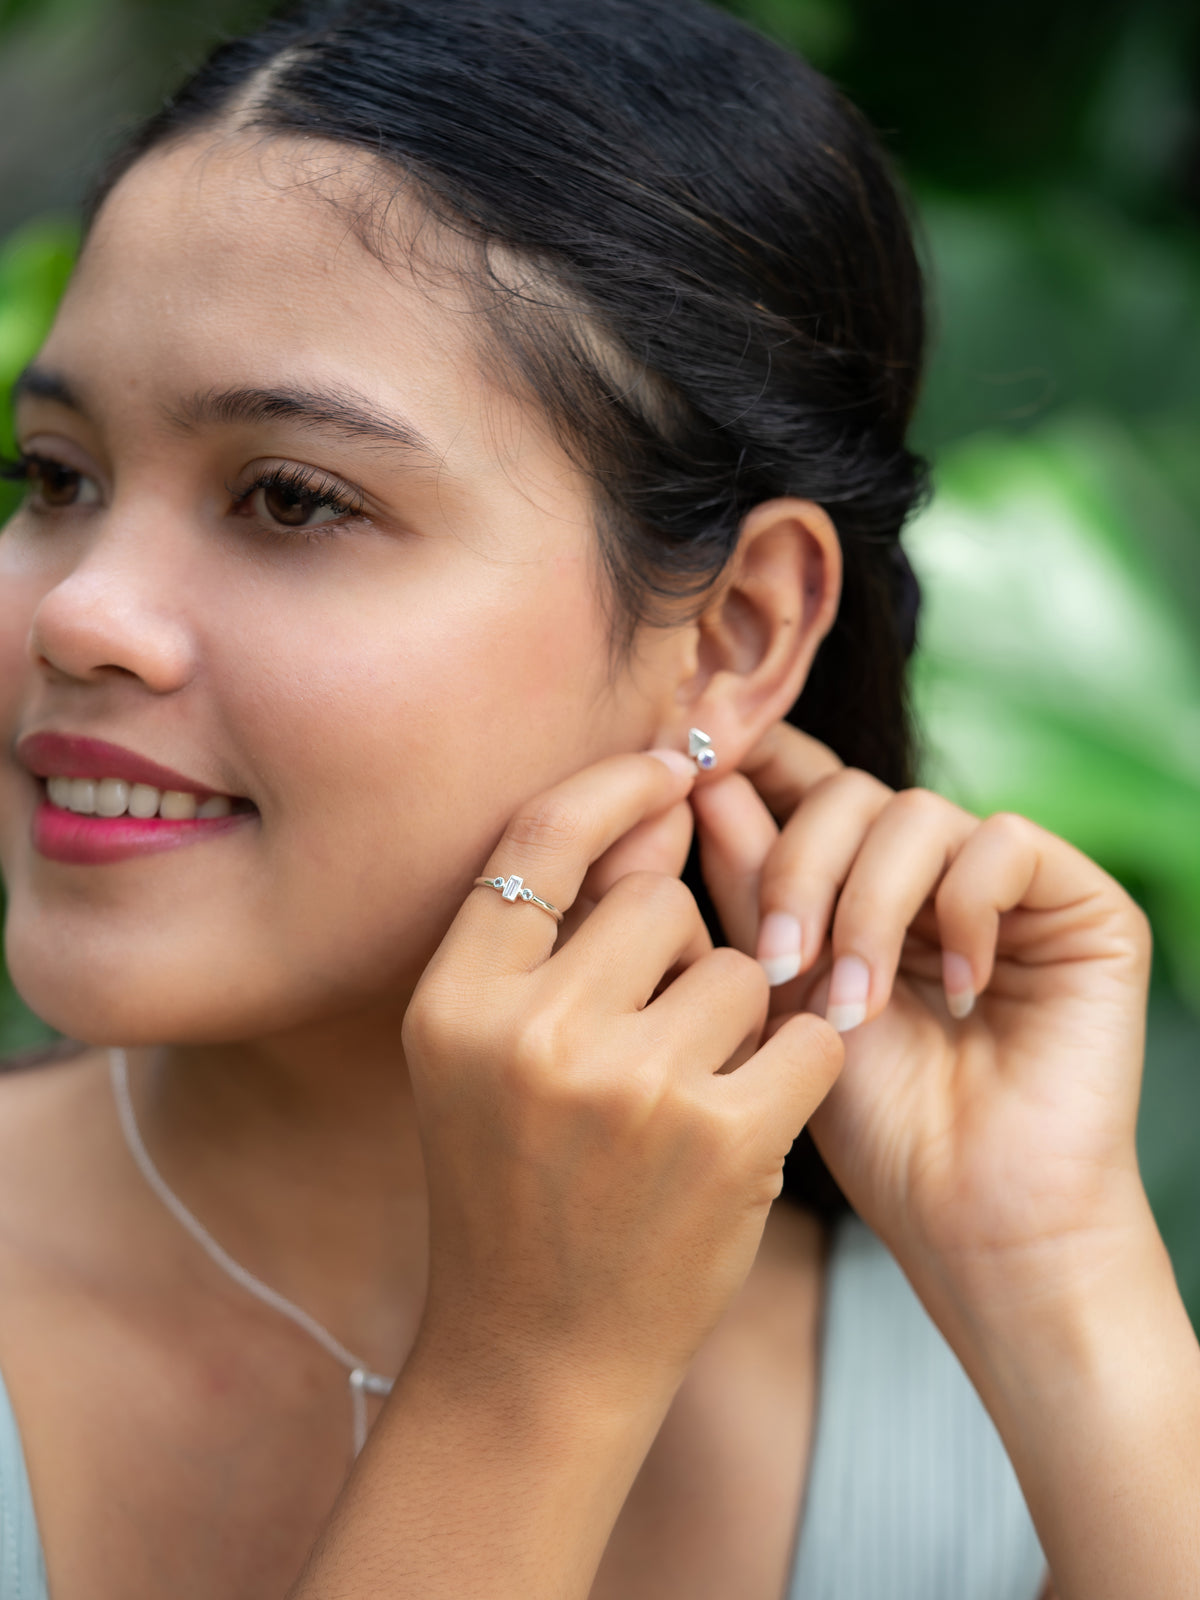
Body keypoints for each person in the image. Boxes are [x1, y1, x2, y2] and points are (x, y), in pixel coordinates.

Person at [0, 0, 1196, 1595]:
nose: (76, 612)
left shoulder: (984, 1409)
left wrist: (1059, 1287)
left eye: (293, 497)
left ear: (738, 632)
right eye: (56, 477)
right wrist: (523, 1389)